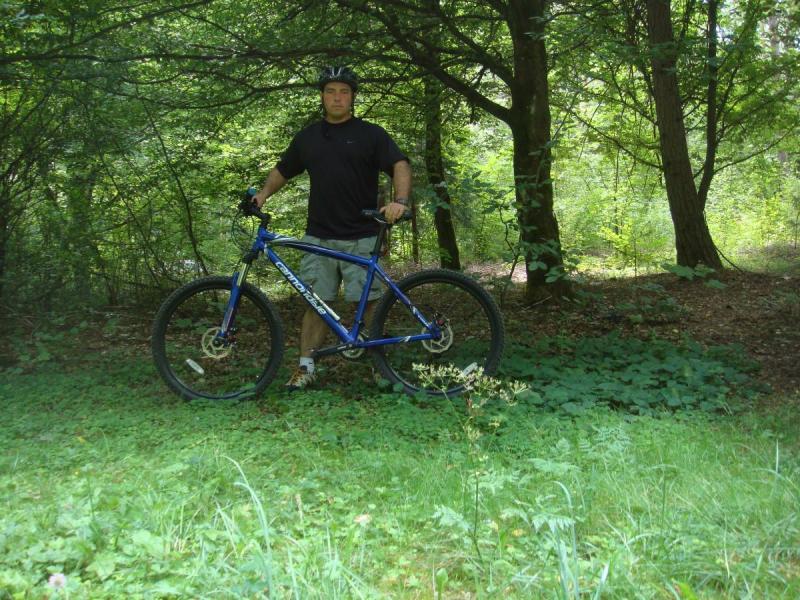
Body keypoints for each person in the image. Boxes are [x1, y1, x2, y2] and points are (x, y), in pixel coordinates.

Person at [253, 65, 412, 390]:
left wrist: (401, 201)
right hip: (319, 237)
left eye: (344, 91)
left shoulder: (371, 134)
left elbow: (400, 164)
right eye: (331, 91)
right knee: (314, 304)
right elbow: (283, 170)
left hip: (362, 235)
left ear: (352, 97)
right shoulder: (309, 137)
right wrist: (262, 195)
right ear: (322, 97)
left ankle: (381, 369)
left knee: (368, 306)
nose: (337, 97)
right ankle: (306, 367)